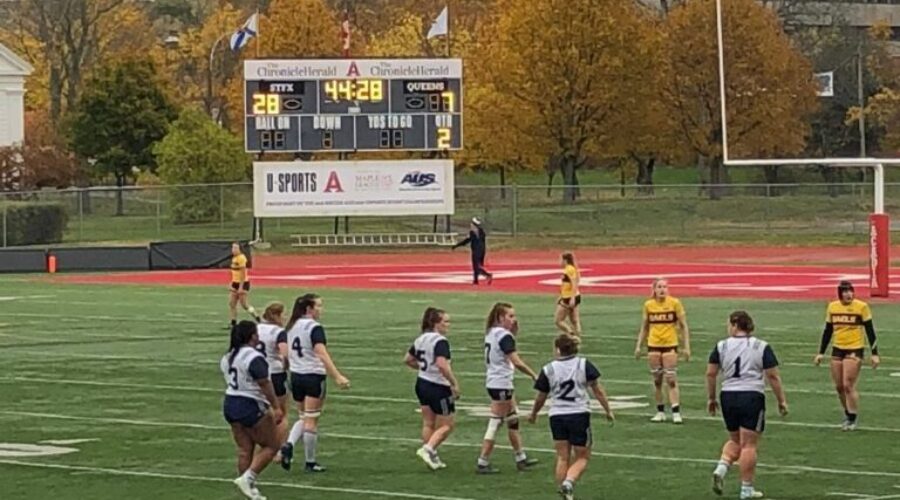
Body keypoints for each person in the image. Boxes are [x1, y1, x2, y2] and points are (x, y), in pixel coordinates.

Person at [707, 311, 788, 500]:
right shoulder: (760, 346)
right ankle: (746, 488)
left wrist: (711, 398)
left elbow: (710, 373)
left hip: (728, 395)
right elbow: (773, 376)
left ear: (735, 325)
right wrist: (781, 400)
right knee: (749, 445)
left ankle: (721, 468)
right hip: (751, 395)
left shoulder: (721, 346)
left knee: (735, 440)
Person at [528, 334, 614, 500]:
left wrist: (534, 414)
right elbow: (597, 390)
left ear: (558, 349)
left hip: (557, 415)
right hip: (578, 414)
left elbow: (541, 397)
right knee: (582, 457)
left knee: (562, 457)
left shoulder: (548, 369)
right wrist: (607, 410)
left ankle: (564, 493)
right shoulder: (583, 364)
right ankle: (568, 483)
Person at [279, 293, 350, 473]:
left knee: (303, 417)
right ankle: (310, 462)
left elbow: (285, 354)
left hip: (296, 376)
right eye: (318, 306)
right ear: (309, 309)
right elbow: (321, 353)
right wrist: (337, 376)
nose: (321, 309)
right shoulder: (314, 327)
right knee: (311, 420)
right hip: (313, 376)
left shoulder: (291, 326)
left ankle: (289, 444)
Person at [221, 320, 283, 500]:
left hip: (230, 402)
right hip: (250, 404)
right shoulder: (253, 357)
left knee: (245, 449)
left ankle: (247, 488)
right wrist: (276, 406)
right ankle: (247, 479)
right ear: (252, 336)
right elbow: (264, 384)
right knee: (272, 445)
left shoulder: (228, 356)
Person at [477, 302, 540, 474]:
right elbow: (516, 361)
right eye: (510, 316)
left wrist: (513, 333)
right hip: (501, 383)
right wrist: (533, 375)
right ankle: (482, 461)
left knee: (513, 419)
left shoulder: (492, 332)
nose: (514, 319)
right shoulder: (504, 336)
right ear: (500, 317)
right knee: (495, 422)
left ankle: (521, 457)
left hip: (496, 381)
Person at [814, 280, 880, 431]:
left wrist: (875, 353)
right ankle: (848, 413)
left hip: (854, 348)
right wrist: (821, 352)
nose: (848, 294)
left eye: (850, 291)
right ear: (840, 294)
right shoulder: (832, 307)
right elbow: (828, 331)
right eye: (845, 292)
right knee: (839, 387)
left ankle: (853, 417)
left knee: (847, 384)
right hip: (838, 348)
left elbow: (870, 331)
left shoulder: (861, 307)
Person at [405, 307, 461, 470]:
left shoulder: (421, 339)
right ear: (436, 323)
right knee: (447, 425)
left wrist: (424, 368)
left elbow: (408, 359)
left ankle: (431, 456)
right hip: (438, 386)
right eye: (446, 321)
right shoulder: (440, 341)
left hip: (422, 383)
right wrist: (454, 383)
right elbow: (442, 365)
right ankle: (428, 449)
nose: (448, 325)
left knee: (428, 423)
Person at [634, 278, 691, 424]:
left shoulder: (674, 303)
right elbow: (644, 327)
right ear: (654, 289)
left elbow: (683, 326)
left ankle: (676, 411)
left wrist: (686, 346)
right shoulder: (648, 305)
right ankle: (660, 411)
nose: (662, 290)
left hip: (670, 344)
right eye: (659, 287)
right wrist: (639, 345)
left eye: (665, 287)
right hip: (653, 344)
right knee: (657, 380)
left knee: (671, 379)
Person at [255, 302, 289, 464]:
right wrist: (286, 366)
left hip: (257, 373)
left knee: (261, 413)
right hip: (275, 374)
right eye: (283, 314)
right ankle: (278, 450)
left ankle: (261, 446)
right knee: (281, 413)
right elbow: (285, 354)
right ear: (276, 315)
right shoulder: (278, 332)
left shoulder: (256, 328)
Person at [452, 217, 493, 285]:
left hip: (476, 251)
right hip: (482, 251)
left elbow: (466, 241)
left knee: (476, 267)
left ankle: (487, 275)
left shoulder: (472, 232)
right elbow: (483, 242)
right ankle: (475, 280)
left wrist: (456, 245)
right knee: (477, 266)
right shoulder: (481, 232)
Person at [229, 242, 259, 328]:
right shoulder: (234, 258)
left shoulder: (241, 258)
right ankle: (233, 323)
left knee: (244, 305)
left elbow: (243, 274)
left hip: (242, 283)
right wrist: (231, 283)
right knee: (232, 303)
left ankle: (257, 317)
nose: (233, 250)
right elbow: (234, 273)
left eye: (235, 248)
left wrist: (241, 287)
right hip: (235, 282)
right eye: (233, 248)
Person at [554, 252, 582, 336]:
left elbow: (574, 283)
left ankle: (570, 333)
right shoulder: (571, 269)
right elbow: (567, 285)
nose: (559, 262)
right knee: (574, 321)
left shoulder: (569, 270)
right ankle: (577, 337)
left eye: (561, 260)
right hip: (572, 296)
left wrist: (572, 298)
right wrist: (561, 296)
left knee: (558, 321)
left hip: (569, 297)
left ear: (565, 260)